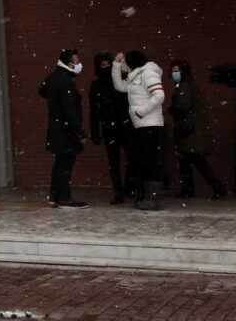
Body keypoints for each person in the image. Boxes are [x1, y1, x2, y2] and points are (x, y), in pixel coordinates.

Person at [113, 49, 166, 211]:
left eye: (125, 63)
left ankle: (153, 199)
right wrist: (116, 65)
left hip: (151, 124)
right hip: (141, 125)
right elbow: (120, 86)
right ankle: (147, 197)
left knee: (151, 162)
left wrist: (140, 112)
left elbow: (159, 95)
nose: (124, 66)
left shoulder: (148, 73)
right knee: (144, 161)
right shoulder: (135, 75)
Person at [169, 60, 226, 199]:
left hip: (189, 131)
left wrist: (172, 109)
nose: (174, 73)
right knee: (189, 160)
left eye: (177, 70)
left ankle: (215, 187)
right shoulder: (189, 85)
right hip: (191, 130)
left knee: (195, 160)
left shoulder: (184, 86)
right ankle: (191, 189)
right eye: (173, 71)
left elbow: (183, 106)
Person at [41, 49, 88, 208]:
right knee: (65, 164)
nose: (79, 64)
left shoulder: (54, 77)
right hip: (65, 131)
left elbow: (42, 90)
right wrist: (79, 133)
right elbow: (70, 111)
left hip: (57, 128)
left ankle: (55, 195)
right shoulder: (66, 81)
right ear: (69, 63)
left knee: (60, 163)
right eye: (76, 61)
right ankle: (64, 197)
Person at [89, 52, 132, 204]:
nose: (106, 67)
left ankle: (127, 188)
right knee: (114, 162)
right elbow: (94, 111)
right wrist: (95, 131)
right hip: (111, 127)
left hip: (123, 125)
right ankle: (119, 191)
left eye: (108, 64)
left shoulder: (120, 80)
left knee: (130, 158)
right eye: (103, 65)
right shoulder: (97, 86)